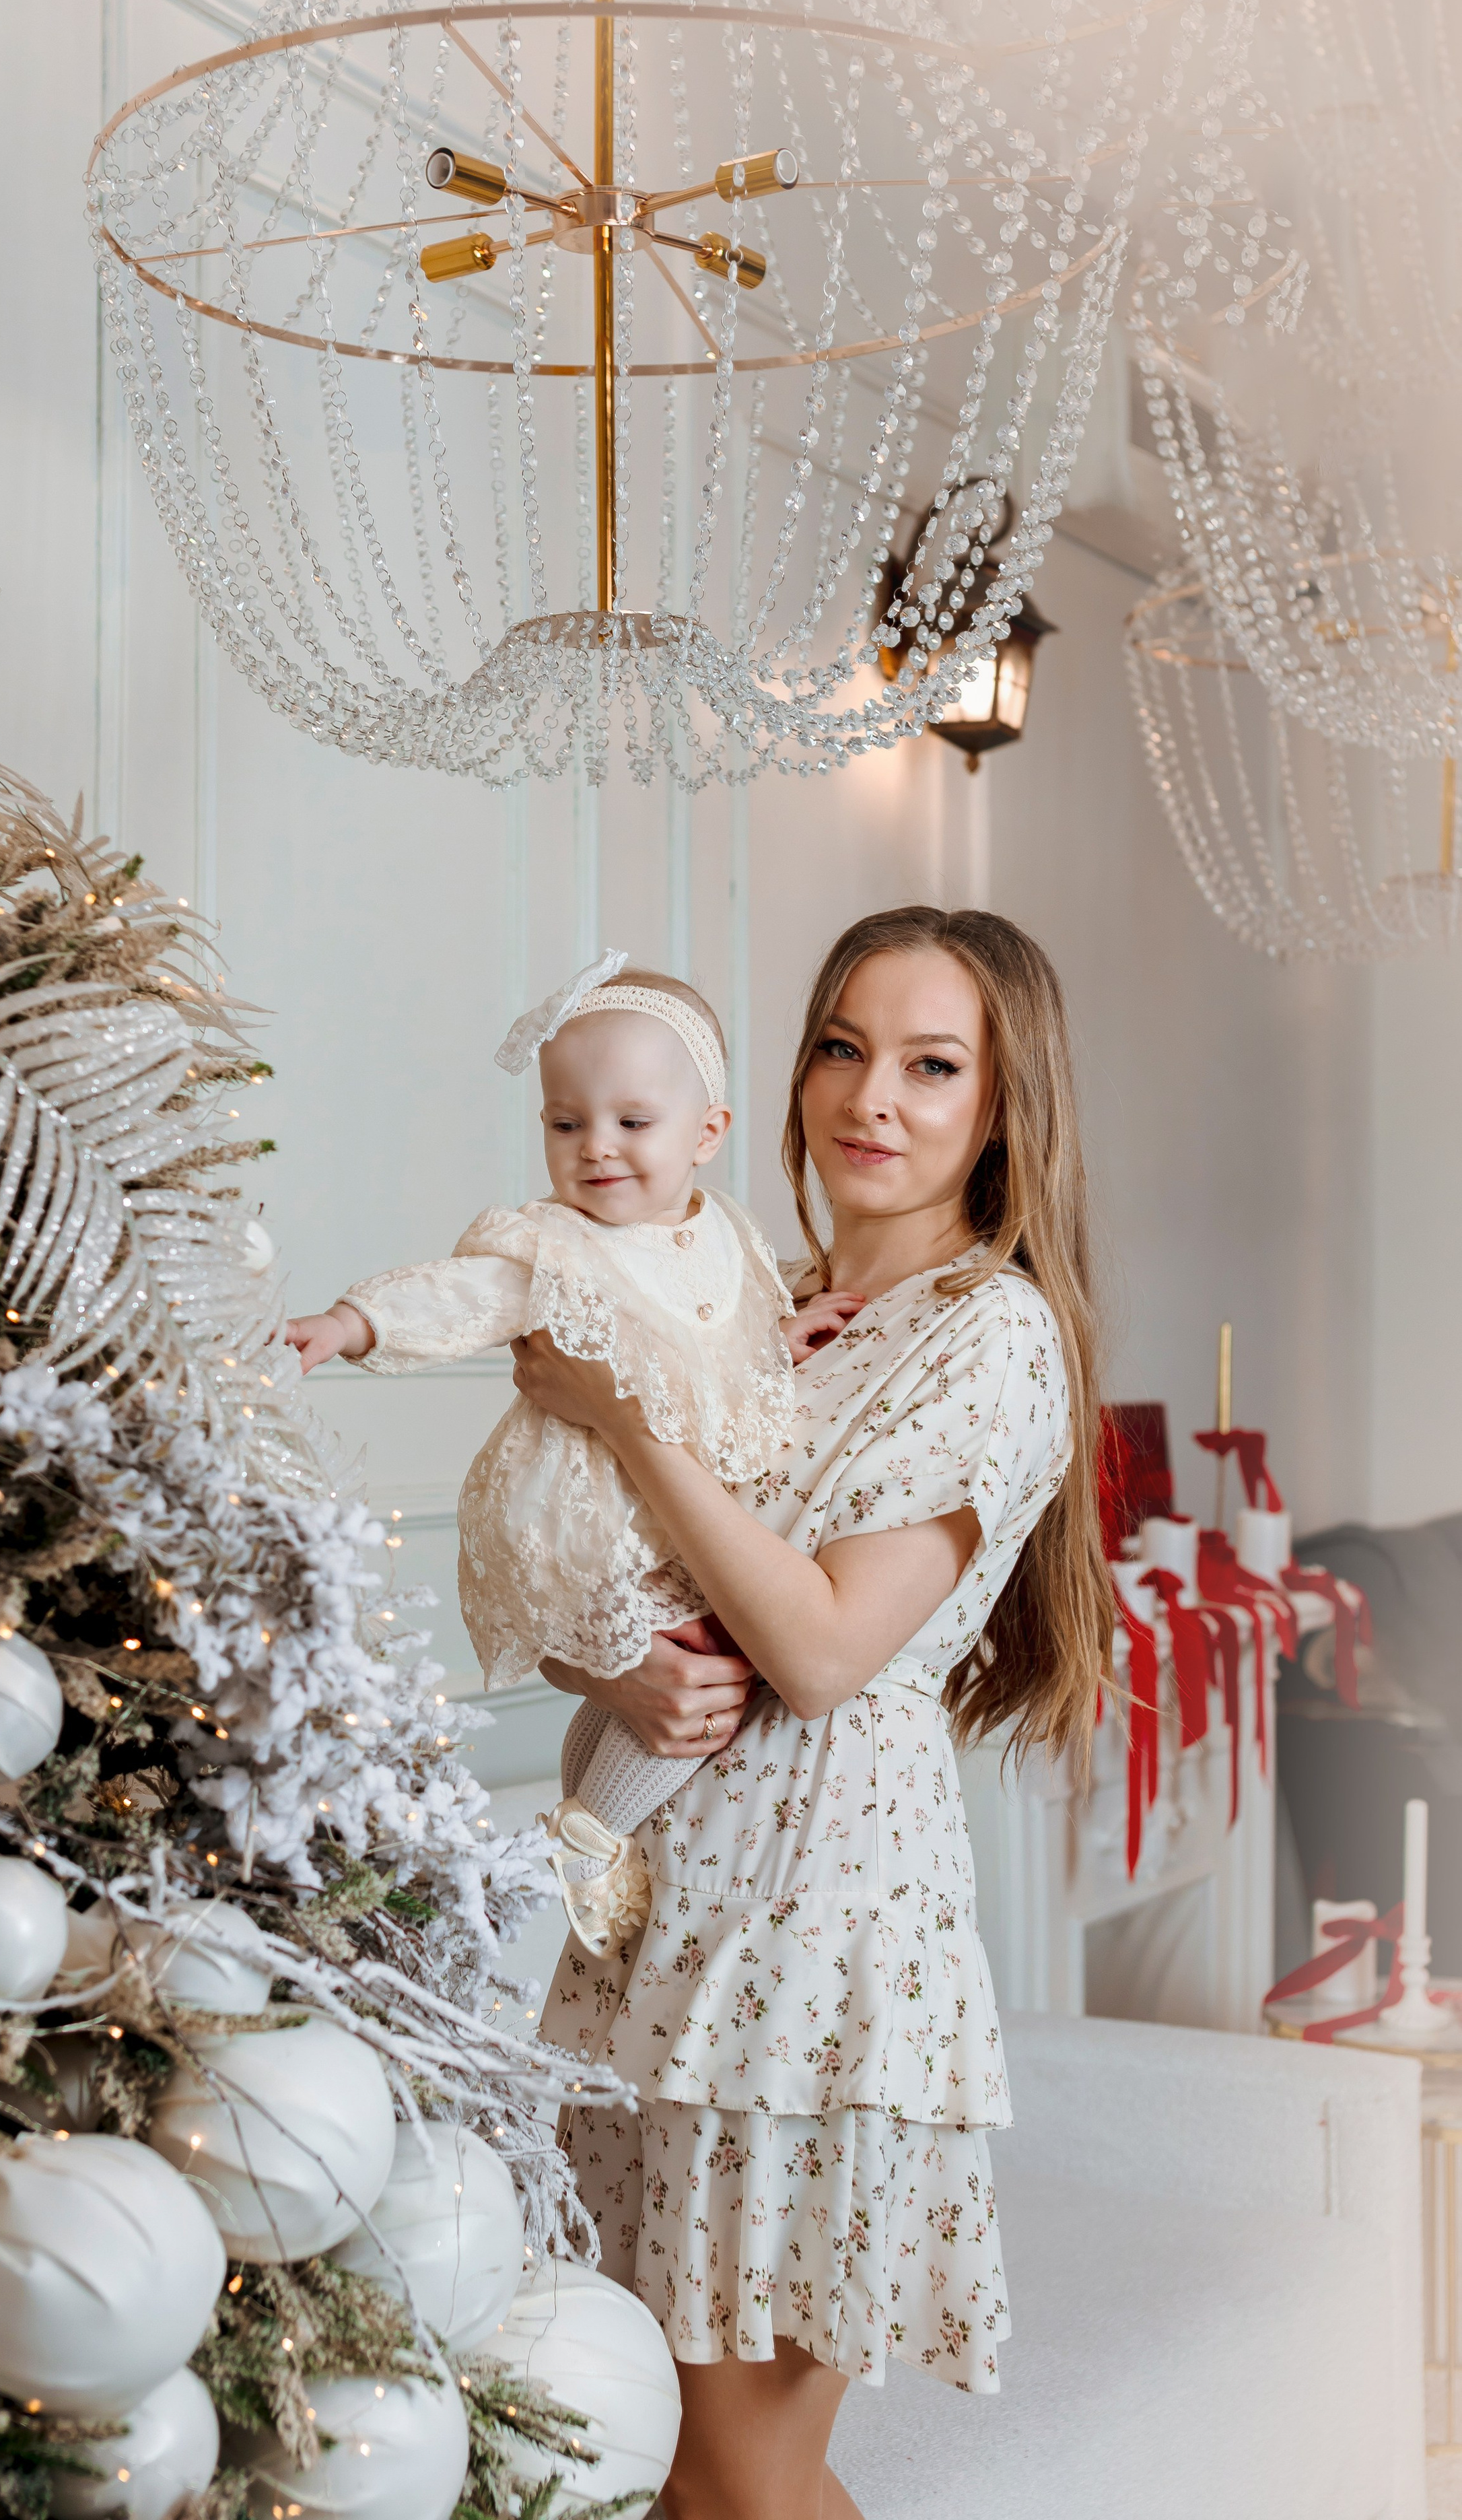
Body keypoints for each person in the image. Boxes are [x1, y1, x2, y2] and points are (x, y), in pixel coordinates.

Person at [511, 906, 1113, 2520]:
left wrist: (629, 1419)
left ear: (1001, 1106)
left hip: (814, 1934)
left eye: (930, 1064)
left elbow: (827, 1650)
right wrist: (612, 1668)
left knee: (736, 2473)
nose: (872, 1097)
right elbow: (605, 1586)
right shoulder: (745, 1298)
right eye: (843, 1048)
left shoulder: (990, 1337)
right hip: (654, 1919)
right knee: (641, 2451)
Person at [283, 953, 851, 1951]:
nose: (597, 1150)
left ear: (706, 1134)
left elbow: (736, 1322)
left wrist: (782, 1339)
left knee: (669, 1669)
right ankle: (595, 1832)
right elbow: (455, 1297)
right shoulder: (553, 1247)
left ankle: (583, 1804)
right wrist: (347, 1324)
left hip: (668, 1505)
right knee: (712, 1662)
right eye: (564, 1123)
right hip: (587, 1517)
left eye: (633, 1123)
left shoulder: (731, 1233)